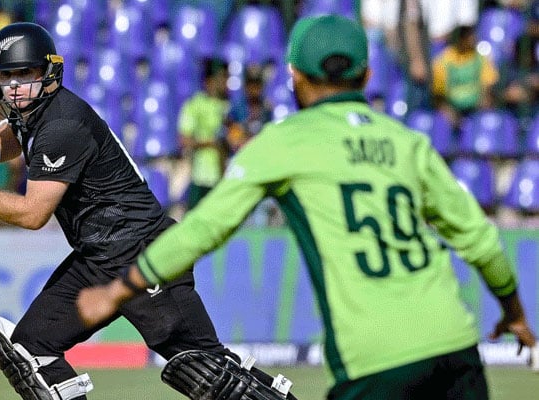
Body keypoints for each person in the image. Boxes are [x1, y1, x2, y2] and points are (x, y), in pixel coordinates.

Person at [76, 14, 537, 400]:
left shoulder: (283, 145)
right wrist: (513, 311)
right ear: (367, 76)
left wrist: (119, 291)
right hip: (455, 346)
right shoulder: (407, 142)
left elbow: (203, 230)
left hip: (374, 359)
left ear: (294, 75)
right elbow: (481, 241)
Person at [0, 22, 291, 400]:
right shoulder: (35, 113)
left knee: (210, 374)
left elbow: (32, 214)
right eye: (5, 76)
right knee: (32, 349)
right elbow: (14, 131)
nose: (14, 86)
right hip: (98, 258)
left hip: (142, 253)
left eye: (24, 74)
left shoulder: (63, 124)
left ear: (48, 74)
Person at [177, 58, 230, 210]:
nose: (226, 82)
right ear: (210, 81)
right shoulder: (194, 105)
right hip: (202, 178)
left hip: (224, 177)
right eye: (222, 77)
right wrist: (211, 143)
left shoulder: (229, 106)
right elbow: (184, 140)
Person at [431, 24, 500, 127]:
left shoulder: (480, 58)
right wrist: (446, 109)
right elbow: (437, 92)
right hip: (452, 108)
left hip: (477, 108)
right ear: (461, 39)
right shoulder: (443, 60)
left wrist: (485, 99)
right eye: (470, 36)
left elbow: (489, 83)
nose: (474, 39)